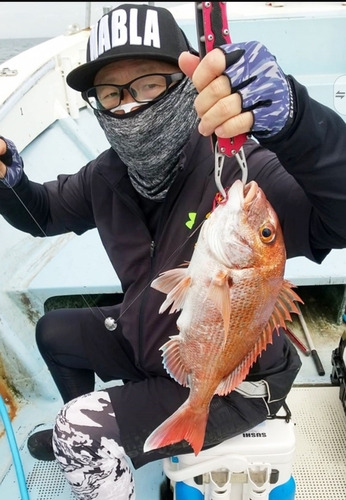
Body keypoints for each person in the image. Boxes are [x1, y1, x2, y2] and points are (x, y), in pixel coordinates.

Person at [0, 3, 346, 499]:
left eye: (147, 85)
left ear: (184, 86)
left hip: (233, 377)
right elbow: (41, 216)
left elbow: (339, 215)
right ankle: (104, 440)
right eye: (111, 93)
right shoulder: (106, 174)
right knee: (54, 332)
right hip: (163, 343)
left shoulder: (241, 169)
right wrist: (8, 182)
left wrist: (299, 123)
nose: (127, 107)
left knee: (81, 428)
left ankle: (87, 436)